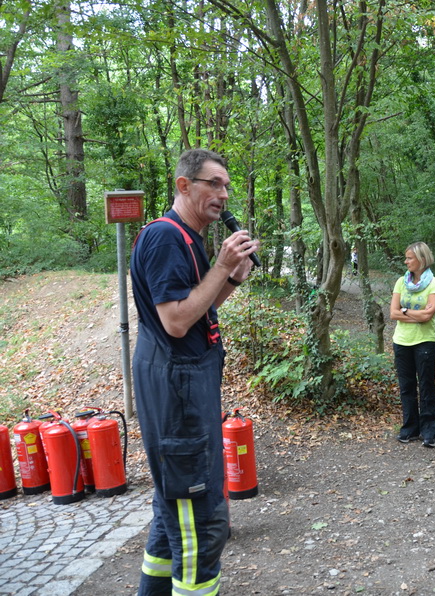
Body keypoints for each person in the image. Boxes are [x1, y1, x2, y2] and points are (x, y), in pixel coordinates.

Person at [130, 148, 259, 596]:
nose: (223, 194)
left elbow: (199, 311)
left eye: (226, 185)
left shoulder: (187, 236)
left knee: (171, 517)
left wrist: (232, 278)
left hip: (187, 386)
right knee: (200, 521)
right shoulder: (165, 238)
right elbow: (176, 321)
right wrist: (221, 265)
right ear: (184, 185)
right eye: (214, 183)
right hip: (176, 395)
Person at [390, 242, 435, 448]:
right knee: (406, 387)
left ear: (421, 259)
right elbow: (393, 312)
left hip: (424, 341)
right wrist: (412, 314)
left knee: (427, 386)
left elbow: (429, 315)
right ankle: (410, 428)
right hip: (401, 341)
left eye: (409, 258)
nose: (406, 261)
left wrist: (404, 312)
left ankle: (430, 432)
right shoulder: (400, 282)